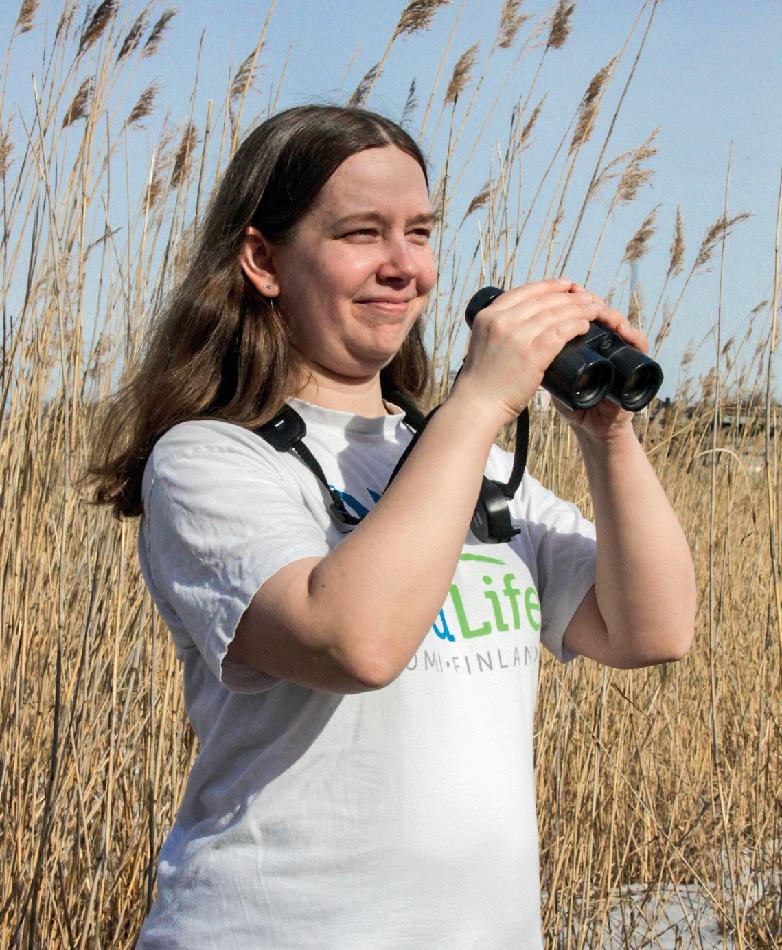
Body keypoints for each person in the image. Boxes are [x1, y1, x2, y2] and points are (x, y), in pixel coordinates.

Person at [86, 104, 696, 949]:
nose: (403, 266)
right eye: (361, 234)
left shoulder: (462, 459)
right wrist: (478, 400)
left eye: (420, 232)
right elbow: (356, 643)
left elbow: (650, 629)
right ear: (263, 260)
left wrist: (608, 434)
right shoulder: (209, 459)